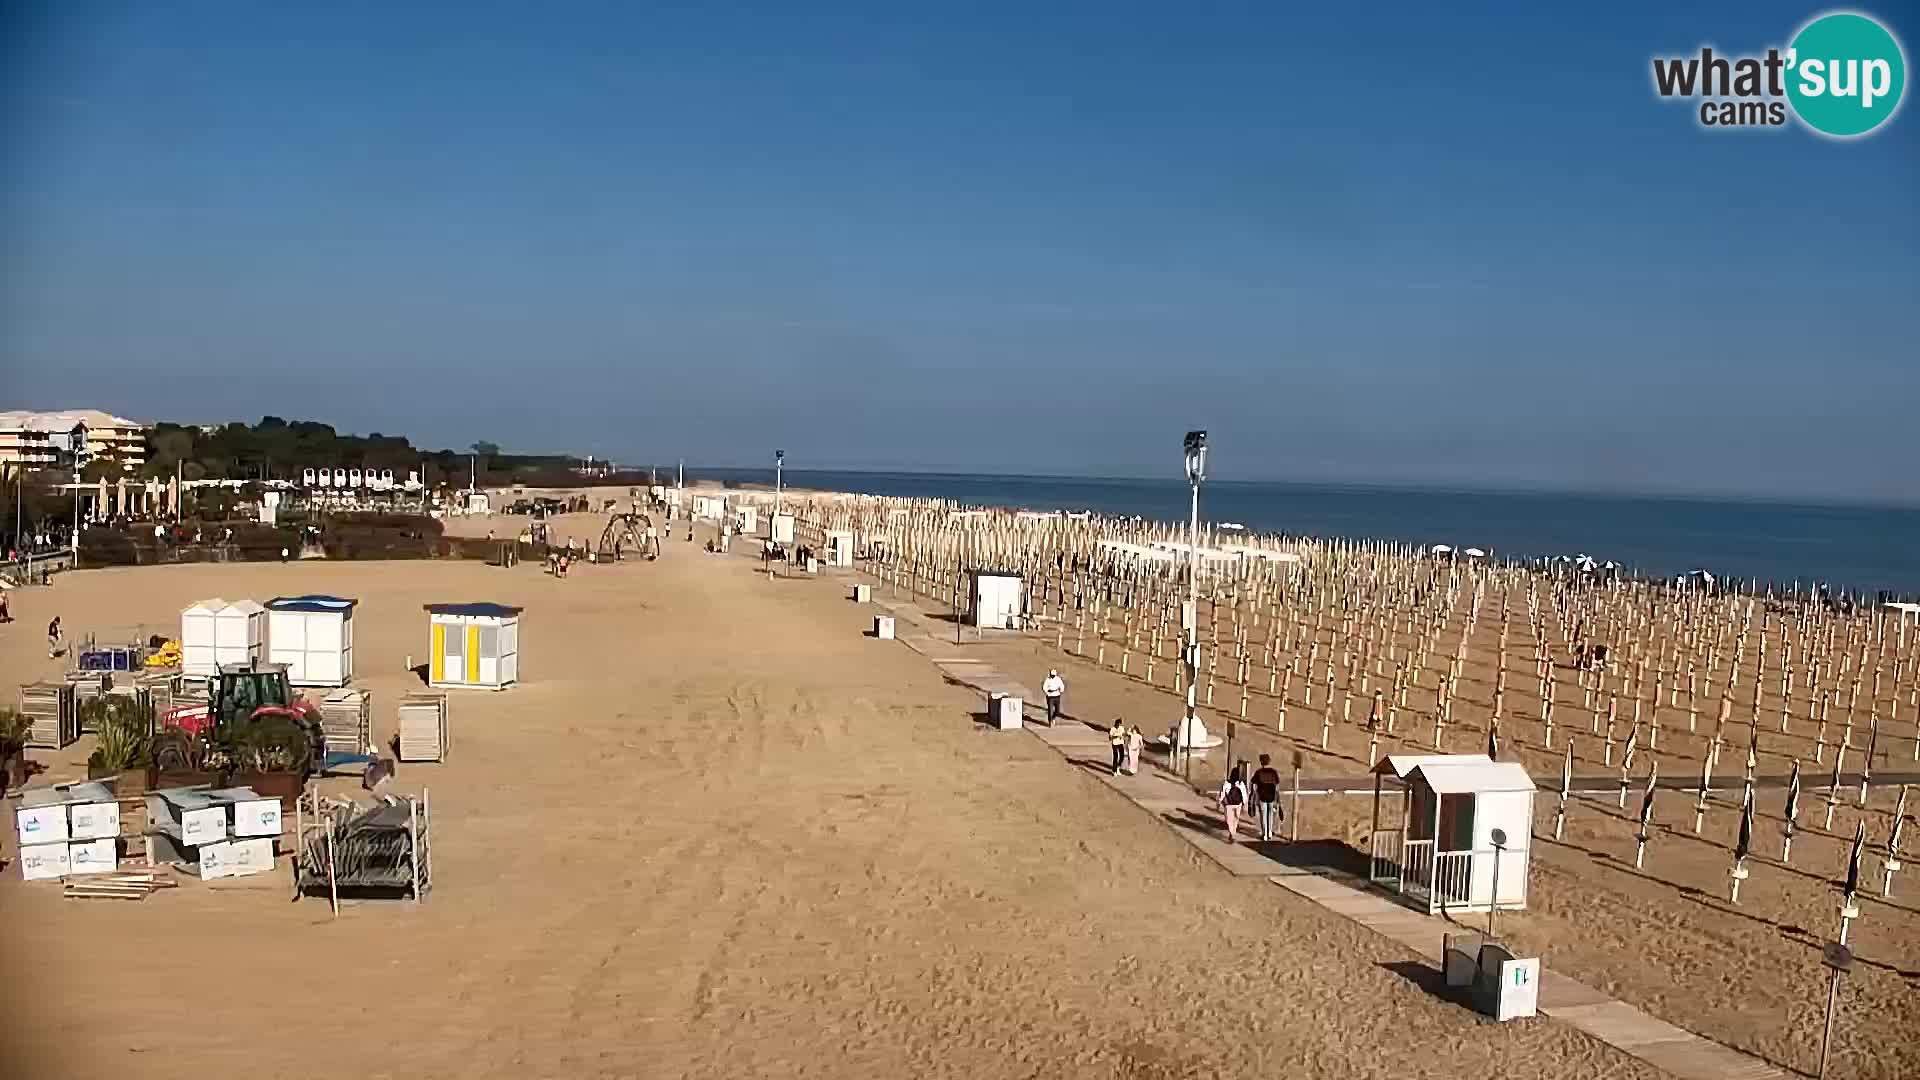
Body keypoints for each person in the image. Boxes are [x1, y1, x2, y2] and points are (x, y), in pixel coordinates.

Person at [1251, 753, 1283, 841]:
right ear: (1269, 761)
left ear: (1261, 762)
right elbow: (1277, 786)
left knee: (1263, 815)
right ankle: (1269, 832)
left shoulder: (1258, 772)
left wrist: (1254, 795)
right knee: (1270, 815)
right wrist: (1277, 798)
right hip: (1272, 797)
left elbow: (1253, 784)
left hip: (1262, 797)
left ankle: (1264, 834)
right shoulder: (1273, 772)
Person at [1217, 763, 1249, 843]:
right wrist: (1245, 804)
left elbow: (1222, 793)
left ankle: (1231, 833)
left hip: (1228, 804)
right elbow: (1244, 794)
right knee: (1236, 819)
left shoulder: (1226, 783)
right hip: (1238, 804)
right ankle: (1233, 832)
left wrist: (1219, 802)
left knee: (1229, 820)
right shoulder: (1241, 784)